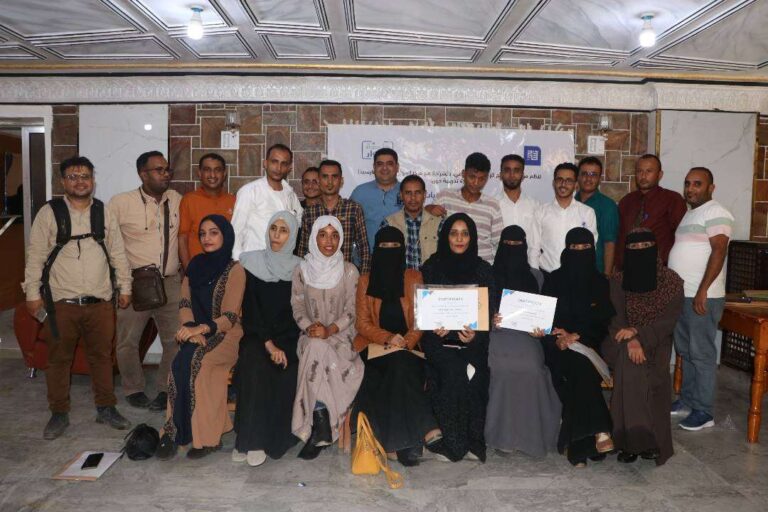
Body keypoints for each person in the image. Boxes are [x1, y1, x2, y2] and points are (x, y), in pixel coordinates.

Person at [24, 156, 132, 439]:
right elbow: (35, 257)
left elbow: (118, 253)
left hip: (100, 302)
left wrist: (125, 287)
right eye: (73, 176)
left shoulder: (103, 212)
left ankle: (106, 408)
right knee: (58, 360)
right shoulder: (50, 213)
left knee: (102, 357)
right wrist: (32, 294)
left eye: (85, 176)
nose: (80, 181)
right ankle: (59, 413)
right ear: (63, 181)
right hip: (61, 304)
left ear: (93, 180)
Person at [156, 215, 245, 460]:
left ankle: (208, 437)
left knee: (201, 364)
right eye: (203, 233)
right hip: (196, 333)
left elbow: (230, 316)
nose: (207, 238)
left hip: (227, 335)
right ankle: (174, 431)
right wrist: (189, 329)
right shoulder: (194, 266)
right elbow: (185, 303)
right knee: (179, 363)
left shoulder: (235, 270)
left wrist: (201, 329)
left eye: (214, 232)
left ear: (226, 236)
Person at [353, 226, 438, 467]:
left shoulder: (413, 277)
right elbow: (362, 323)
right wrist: (389, 338)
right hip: (375, 347)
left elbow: (422, 318)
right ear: (376, 250)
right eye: (384, 247)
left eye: (395, 247)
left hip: (409, 348)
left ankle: (396, 444)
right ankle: (425, 427)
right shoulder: (365, 281)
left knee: (401, 366)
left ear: (402, 250)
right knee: (399, 365)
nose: (390, 251)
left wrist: (407, 341)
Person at [109, 151, 182, 411]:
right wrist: (120, 283)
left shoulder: (177, 199)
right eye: (159, 170)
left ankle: (165, 388)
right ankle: (133, 388)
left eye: (167, 169)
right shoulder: (120, 203)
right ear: (143, 174)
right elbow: (109, 245)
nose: (165, 174)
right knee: (128, 341)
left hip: (170, 282)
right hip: (135, 284)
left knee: (175, 340)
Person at [603, 229, 683, 465]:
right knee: (631, 361)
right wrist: (631, 340)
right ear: (627, 251)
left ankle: (628, 441)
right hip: (619, 338)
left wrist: (640, 335)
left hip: (656, 340)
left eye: (645, 246)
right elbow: (616, 319)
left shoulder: (671, 282)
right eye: (634, 247)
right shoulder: (619, 281)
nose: (640, 251)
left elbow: (668, 321)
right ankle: (644, 440)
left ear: (655, 249)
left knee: (642, 368)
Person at [419, 213, 494, 462]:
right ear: (445, 237)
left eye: (465, 233)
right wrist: (434, 327)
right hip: (439, 342)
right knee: (452, 371)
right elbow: (424, 312)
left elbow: (487, 315)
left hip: (472, 343)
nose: (459, 239)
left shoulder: (483, 271)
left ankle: (473, 440)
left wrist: (474, 337)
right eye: (453, 233)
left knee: (476, 373)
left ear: (472, 238)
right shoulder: (431, 267)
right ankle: (453, 442)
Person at [540, 227, 615, 467]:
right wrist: (558, 338)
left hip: (588, 344)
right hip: (557, 346)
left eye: (585, 248)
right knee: (575, 366)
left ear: (593, 250)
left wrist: (577, 336)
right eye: (575, 248)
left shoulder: (600, 282)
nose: (580, 252)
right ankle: (600, 430)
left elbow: (602, 321)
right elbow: (544, 318)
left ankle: (578, 446)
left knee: (579, 365)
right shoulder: (553, 280)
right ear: (566, 249)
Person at [233, 211, 302, 467]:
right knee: (254, 364)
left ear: (292, 236)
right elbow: (250, 309)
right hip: (257, 334)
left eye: (284, 230)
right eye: (273, 228)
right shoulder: (251, 262)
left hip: (289, 337)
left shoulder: (300, 268)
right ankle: (249, 440)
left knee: (285, 372)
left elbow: (299, 312)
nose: (276, 235)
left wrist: (282, 345)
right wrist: (268, 343)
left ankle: (271, 440)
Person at [291, 215, 364, 459]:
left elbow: (352, 311)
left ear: (341, 239)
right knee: (314, 345)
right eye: (323, 235)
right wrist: (310, 328)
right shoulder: (301, 271)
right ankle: (322, 422)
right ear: (314, 238)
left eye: (334, 235)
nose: (329, 241)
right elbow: (297, 307)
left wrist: (330, 330)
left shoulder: (349, 271)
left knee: (317, 349)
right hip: (310, 335)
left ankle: (320, 424)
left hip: (342, 338)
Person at [486, 225, 561, 458]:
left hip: (527, 337)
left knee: (532, 369)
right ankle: (502, 436)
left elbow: (544, 313)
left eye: (517, 245)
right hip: (496, 334)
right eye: (507, 244)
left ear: (525, 247)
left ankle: (529, 436)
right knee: (501, 369)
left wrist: (540, 330)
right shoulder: (487, 275)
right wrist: (490, 320)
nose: (512, 249)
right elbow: (479, 310)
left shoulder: (536, 276)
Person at [668, 167, 734, 431]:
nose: (690, 188)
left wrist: (703, 290)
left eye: (697, 183)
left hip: (701, 296)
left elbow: (719, 251)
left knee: (702, 353)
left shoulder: (716, 211)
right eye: (687, 183)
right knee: (686, 351)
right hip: (683, 295)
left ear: (711, 188)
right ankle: (687, 401)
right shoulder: (690, 213)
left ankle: (704, 411)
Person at [231, 143, 303, 260]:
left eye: (284, 164)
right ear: (265, 163)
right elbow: (236, 230)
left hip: (282, 263)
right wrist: (237, 262)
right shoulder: (250, 191)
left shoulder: (290, 194)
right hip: (253, 262)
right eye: (274, 162)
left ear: (289, 168)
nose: (278, 168)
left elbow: (299, 221)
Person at [297, 160, 371, 273]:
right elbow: (303, 249)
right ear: (319, 181)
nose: (330, 182)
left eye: (334, 177)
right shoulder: (309, 212)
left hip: (345, 275)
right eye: (325, 177)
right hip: (315, 276)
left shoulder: (353, 209)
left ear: (341, 181)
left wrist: (364, 275)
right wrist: (301, 274)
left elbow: (363, 247)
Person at [616, 154, 686, 270]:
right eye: (639, 171)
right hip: (627, 269)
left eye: (649, 171)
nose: (643, 176)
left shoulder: (672, 199)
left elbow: (682, 238)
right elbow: (620, 238)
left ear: (660, 175)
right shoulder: (626, 202)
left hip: (659, 270)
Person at [429, 153, 502, 263]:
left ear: (487, 178)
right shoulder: (445, 197)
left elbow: (499, 242)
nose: (476, 183)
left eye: (481, 179)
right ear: (463, 174)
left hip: (483, 266)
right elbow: (428, 224)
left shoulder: (493, 205)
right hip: (449, 265)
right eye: (472, 177)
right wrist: (429, 208)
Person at [535, 163, 598, 275]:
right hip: (547, 275)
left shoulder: (587, 212)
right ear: (554, 183)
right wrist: (536, 275)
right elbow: (533, 247)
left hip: (578, 275)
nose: (563, 184)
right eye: (559, 180)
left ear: (576, 185)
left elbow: (591, 247)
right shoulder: (541, 212)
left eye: (569, 181)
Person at [178, 152, 235, 271]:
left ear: (224, 174)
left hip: (227, 271)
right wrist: (189, 270)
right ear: (199, 173)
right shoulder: (189, 200)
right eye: (207, 170)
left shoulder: (233, 201)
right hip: (198, 270)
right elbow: (182, 237)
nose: (212, 175)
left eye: (217, 170)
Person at [382, 174, 441, 269]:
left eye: (417, 192)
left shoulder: (439, 224)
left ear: (424, 195)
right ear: (401, 195)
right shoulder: (388, 224)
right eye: (408, 193)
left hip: (430, 278)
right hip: (399, 278)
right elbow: (383, 261)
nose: (413, 198)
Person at [350, 148, 403, 252]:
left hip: (399, 256)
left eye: (389, 164)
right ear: (374, 167)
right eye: (380, 164)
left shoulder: (407, 192)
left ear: (397, 167)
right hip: (365, 257)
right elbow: (348, 225)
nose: (384, 168)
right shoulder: (360, 192)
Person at [576, 156, 619, 275]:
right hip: (571, 270)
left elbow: (609, 243)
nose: (588, 178)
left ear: (599, 179)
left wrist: (606, 276)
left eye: (593, 175)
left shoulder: (607, 206)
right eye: (584, 174)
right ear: (578, 177)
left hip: (596, 272)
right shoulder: (571, 202)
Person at [497, 154, 541, 267]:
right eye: (507, 170)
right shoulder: (493, 204)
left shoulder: (535, 205)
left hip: (527, 268)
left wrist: (534, 270)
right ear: (501, 175)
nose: (512, 175)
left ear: (523, 175)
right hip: (498, 268)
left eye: (516, 170)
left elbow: (535, 243)